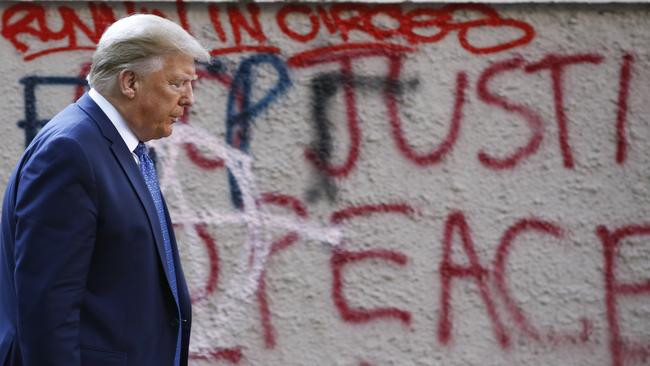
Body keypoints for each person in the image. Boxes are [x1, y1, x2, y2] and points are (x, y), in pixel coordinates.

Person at [0, 14, 209, 366]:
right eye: (177, 83)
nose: (188, 99)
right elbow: (47, 309)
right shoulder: (70, 152)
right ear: (129, 82)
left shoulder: (122, 147)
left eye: (191, 84)